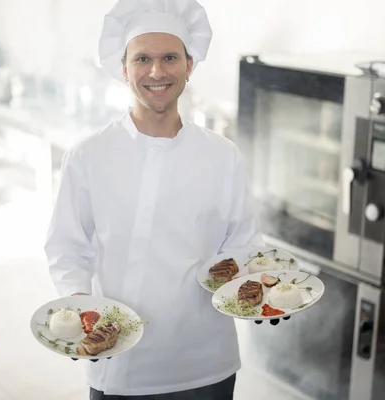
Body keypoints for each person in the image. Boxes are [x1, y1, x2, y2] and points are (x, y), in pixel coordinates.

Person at [44, 0, 267, 398]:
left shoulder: (221, 155)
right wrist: (79, 309)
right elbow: (67, 247)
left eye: (170, 57)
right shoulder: (88, 155)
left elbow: (244, 244)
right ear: (123, 67)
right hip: (119, 359)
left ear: (189, 64)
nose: (157, 71)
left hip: (205, 362)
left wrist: (257, 292)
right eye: (142, 58)